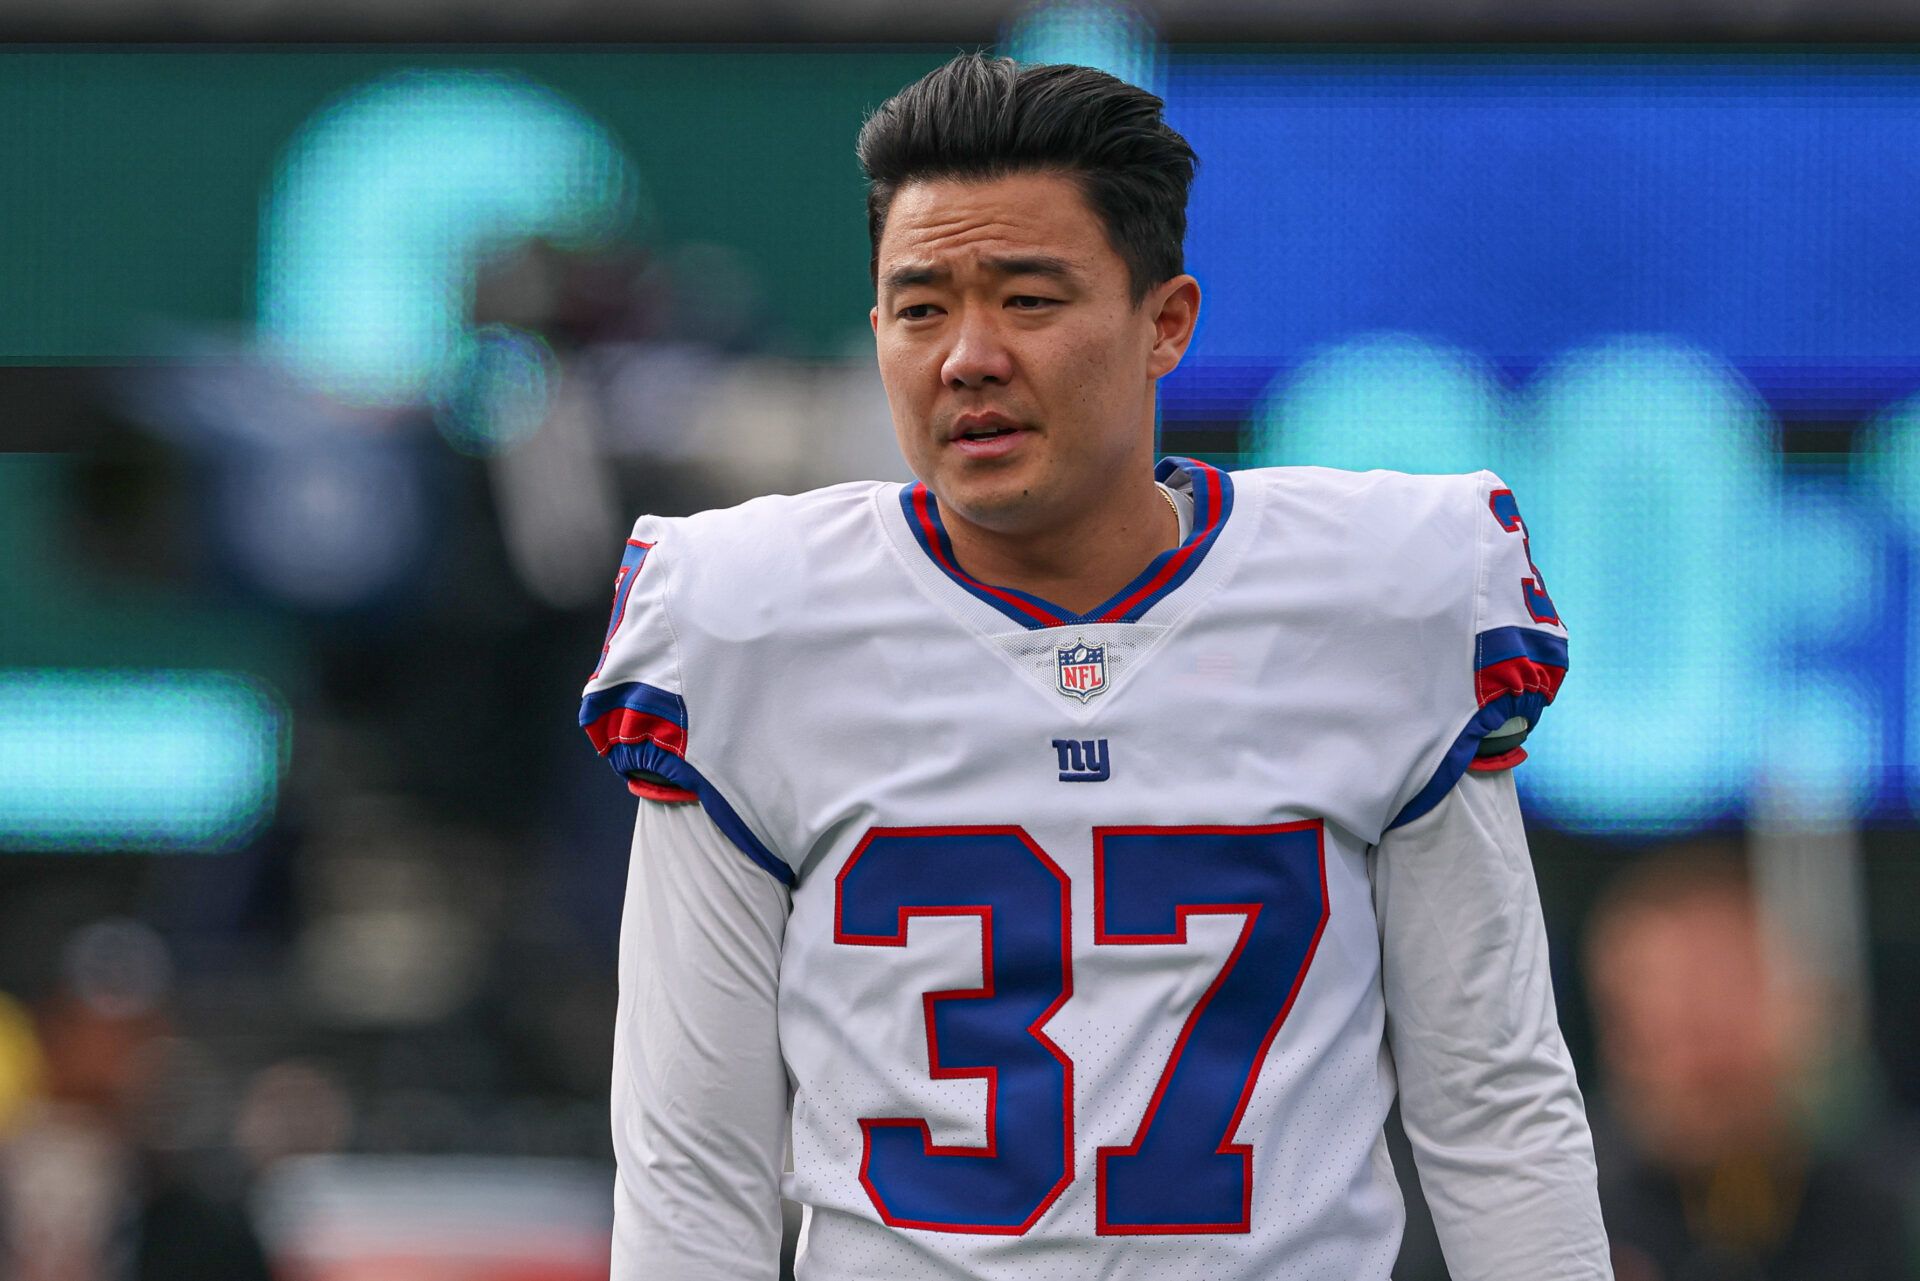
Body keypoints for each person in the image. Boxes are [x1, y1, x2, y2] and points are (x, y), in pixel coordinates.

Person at [580, 52, 1610, 1280]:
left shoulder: (1382, 597)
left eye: (1027, 299)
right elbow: (693, 1159)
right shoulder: (752, 621)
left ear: (1164, 322)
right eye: (921, 308)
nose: (967, 356)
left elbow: (1493, 1104)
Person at [1583, 849, 1912, 1280]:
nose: (1714, 1057)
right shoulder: (1570, 1210)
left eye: (1735, 991)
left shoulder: (1888, 1206)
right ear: (1617, 1036)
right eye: (1682, 1015)